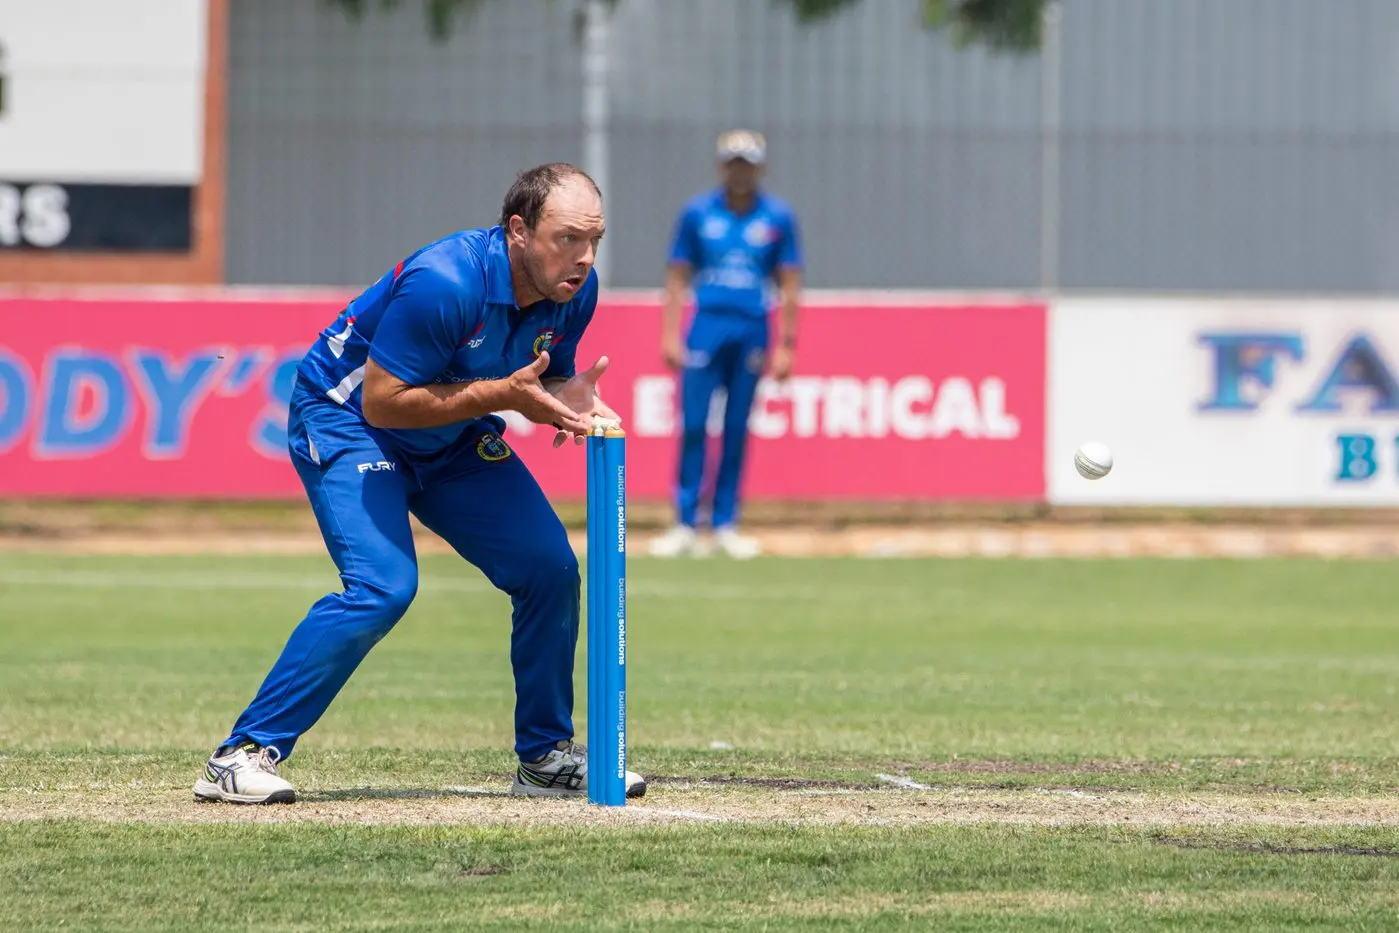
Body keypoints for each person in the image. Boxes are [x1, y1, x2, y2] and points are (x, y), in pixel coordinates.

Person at [194, 163, 645, 804]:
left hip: (449, 432)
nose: (585, 257)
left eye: (594, 239)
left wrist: (565, 396)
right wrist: (504, 396)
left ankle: (543, 759)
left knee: (549, 569)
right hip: (350, 420)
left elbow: (540, 377)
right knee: (383, 588)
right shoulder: (446, 280)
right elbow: (383, 403)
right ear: (519, 230)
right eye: (568, 238)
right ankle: (239, 755)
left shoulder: (576, 289)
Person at [650, 130, 804, 559]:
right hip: (707, 325)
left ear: (760, 168)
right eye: (734, 163)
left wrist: (787, 344)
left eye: (747, 164)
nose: (740, 172)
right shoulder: (698, 213)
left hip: (752, 326)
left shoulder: (777, 217)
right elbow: (678, 274)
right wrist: (670, 332)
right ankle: (685, 523)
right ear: (722, 166)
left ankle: (724, 523)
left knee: (736, 427)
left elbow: (790, 282)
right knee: (694, 423)